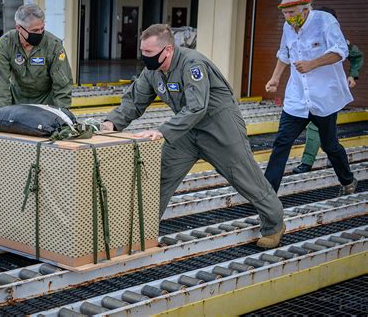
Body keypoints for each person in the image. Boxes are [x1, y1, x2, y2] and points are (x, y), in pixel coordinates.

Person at [102, 24, 285, 248]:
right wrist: (111, 123)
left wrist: (161, 131)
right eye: (143, 51)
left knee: (245, 177)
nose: (144, 57)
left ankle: (274, 225)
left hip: (219, 126)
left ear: (167, 50)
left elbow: (197, 107)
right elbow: (134, 101)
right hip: (186, 130)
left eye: (149, 52)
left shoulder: (192, 64)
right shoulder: (152, 71)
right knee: (158, 175)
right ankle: (143, 234)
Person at [264, 0, 357, 195]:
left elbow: (341, 51)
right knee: (282, 142)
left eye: (292, 13)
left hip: (323, 97)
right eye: (285, 14)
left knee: (329, 145)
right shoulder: (288, 27)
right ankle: (267, 194)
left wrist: (312, 64)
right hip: (297, 97)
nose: (288, 18)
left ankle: (348, 180)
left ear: (306, 10)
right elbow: (284, 54)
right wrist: (275, 78)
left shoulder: (325, 21)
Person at [293, 7, 364, 174]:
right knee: (322, 130)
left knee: (320, 129)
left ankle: (308, 162)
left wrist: (353, 75)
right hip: (309, 92)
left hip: (329, 92)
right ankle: (327, 160)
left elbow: (356, 55)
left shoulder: (340, 41)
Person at [0, 4, 73, 109]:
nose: (40, 33)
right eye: (34, 31)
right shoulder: (4, 45)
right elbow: (0, 86)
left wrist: (60, 114)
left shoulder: (54, 46)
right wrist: (4, 114)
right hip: (16, 103)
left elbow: (63, 86)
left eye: (42, 28)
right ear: (19, 28)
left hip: (47, 103)